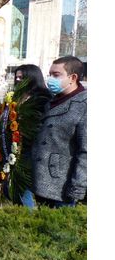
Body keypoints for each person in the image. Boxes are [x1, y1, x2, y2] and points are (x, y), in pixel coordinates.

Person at [31, 56, 87, 208]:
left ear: (73, 77)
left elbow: (86, 152)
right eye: (49, 74)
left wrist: (77, 189)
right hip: (40, 182)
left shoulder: (84, 104)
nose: (50, 79)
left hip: (63, 189)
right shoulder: (53, 100)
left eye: (56, 75)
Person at [6, 64, 51, 209]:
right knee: (11, 188)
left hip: (30, 150)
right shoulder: (15, 96)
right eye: (17, 77)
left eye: (22, 77)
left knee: (24, 188)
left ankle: (28, 216)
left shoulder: (43, 99)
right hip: (14, 148)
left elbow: (41, 125)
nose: (18, 80)